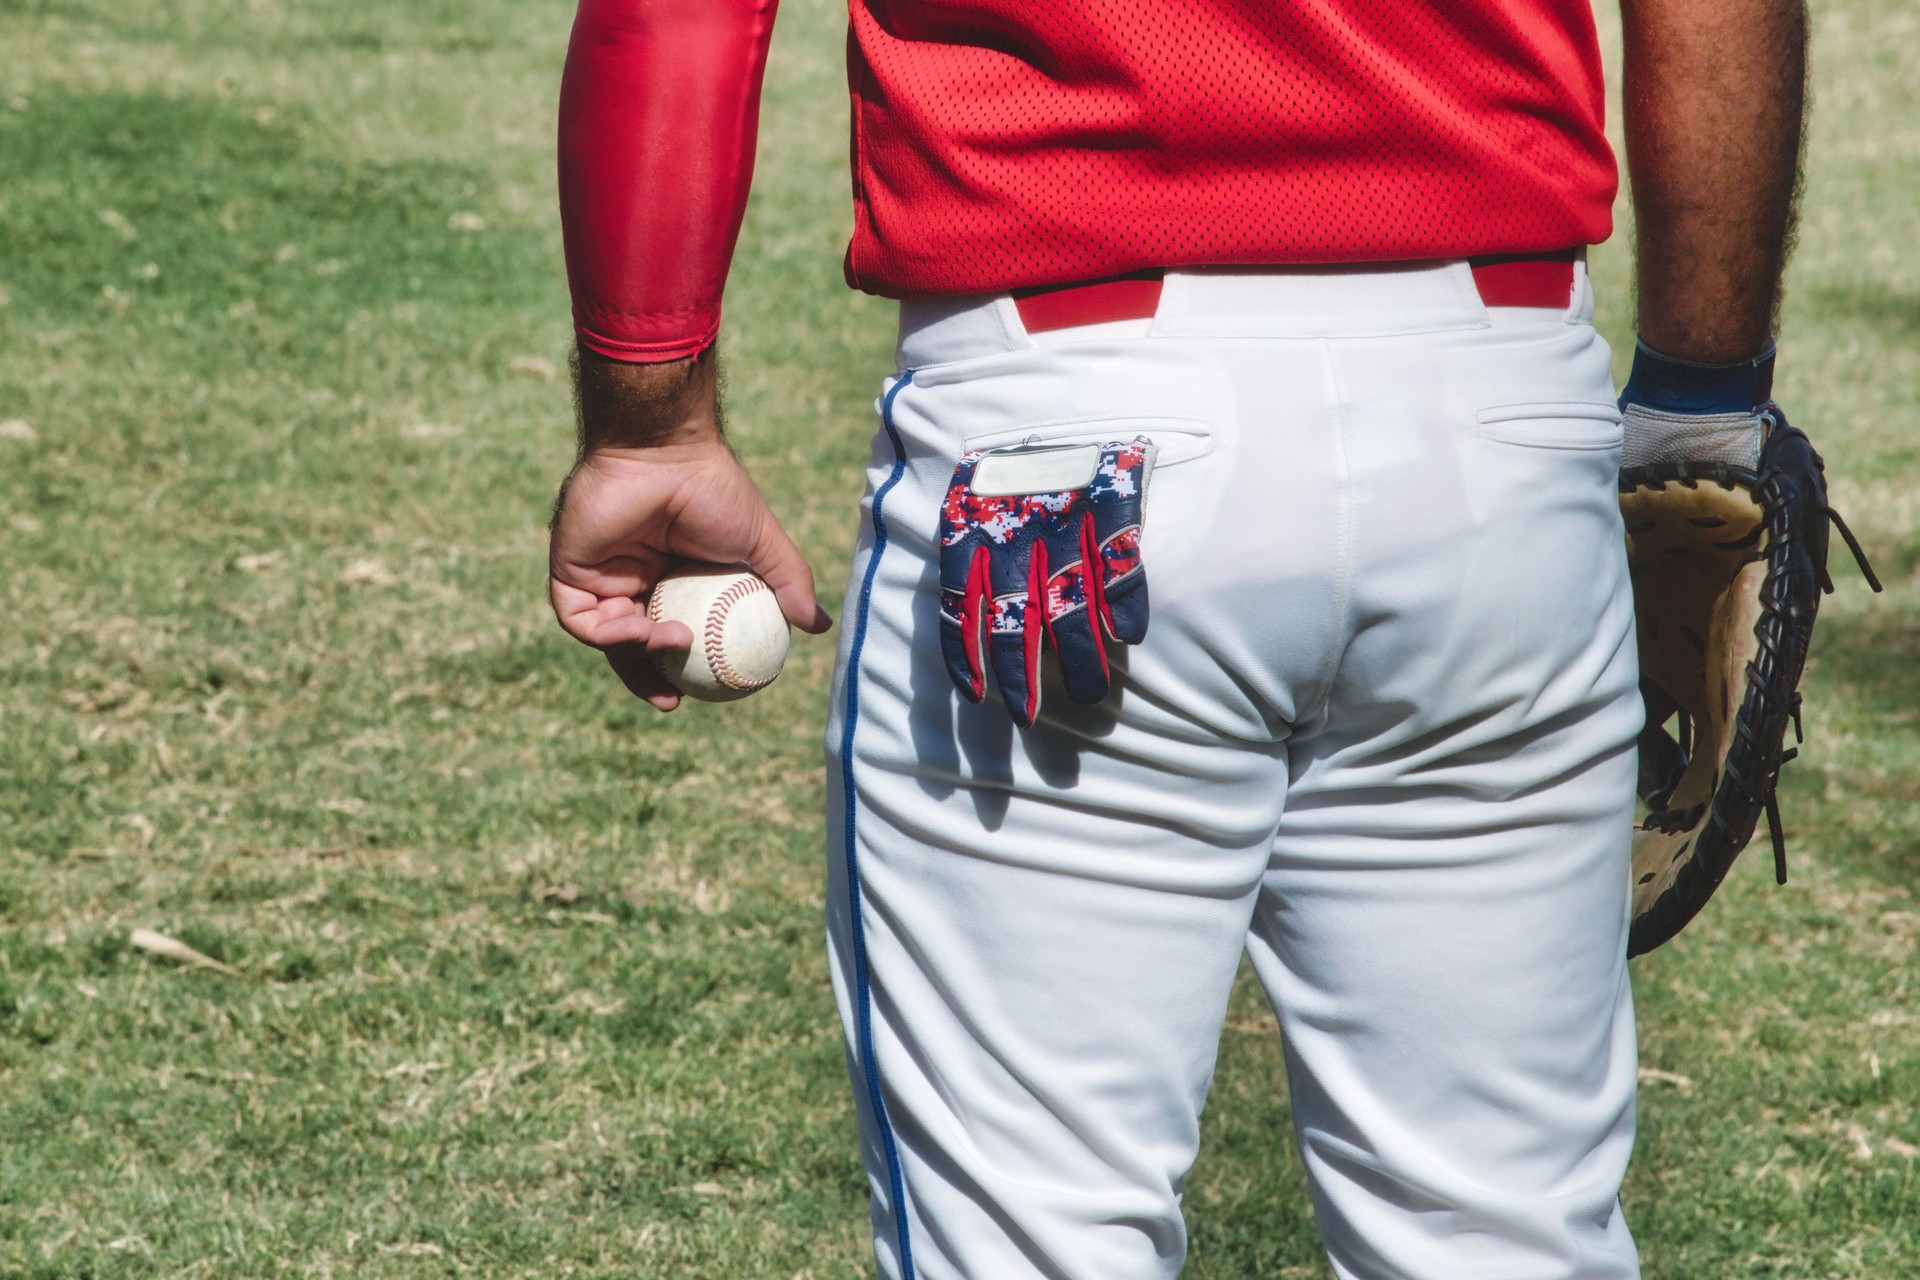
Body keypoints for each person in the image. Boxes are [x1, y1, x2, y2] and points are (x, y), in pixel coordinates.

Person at [546, 0, 1809, 1274]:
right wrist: (1701, 406)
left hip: (1066, 437)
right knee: (1507, 1233)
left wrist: (650, 420)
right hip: (1498, 428)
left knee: (1031, 1233)